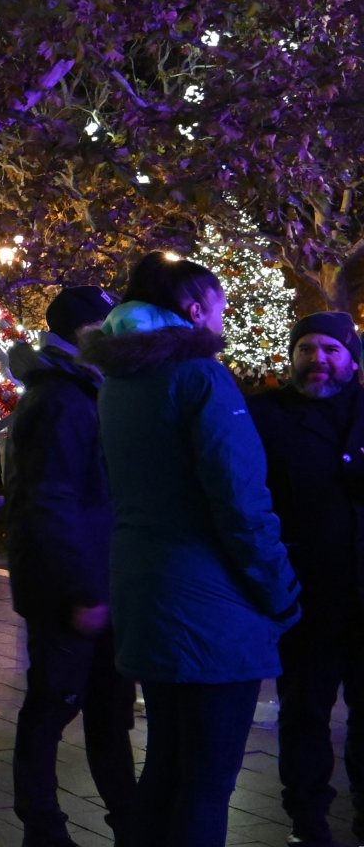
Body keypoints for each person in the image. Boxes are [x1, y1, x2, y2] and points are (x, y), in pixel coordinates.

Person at [83, 252, 299, 847]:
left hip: (149, 595)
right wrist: (281, 591)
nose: (224, 322)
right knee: (206, 783)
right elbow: (240, 501)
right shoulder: (201, 379)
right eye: (222, 308)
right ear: (196, 310)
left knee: (166, 766)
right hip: (213, 608)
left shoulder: (121, 383)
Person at [3, 286, 135, 847]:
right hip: (71, 590)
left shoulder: (73, 389)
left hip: (90, 583)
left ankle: (128, 820)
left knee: (105, 710)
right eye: (108, 327)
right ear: (86, 333)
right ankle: (44, 826)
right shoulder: (62, 397)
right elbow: (53, 501)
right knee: (55, 707)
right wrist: (86, 591)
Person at [251, 311, 364, 846]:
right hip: (306, 595)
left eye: (330, 350)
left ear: (352, 360)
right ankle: (307, 819)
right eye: (307, 348)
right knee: (305, 712)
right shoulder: (268, 415)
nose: (317, 358)